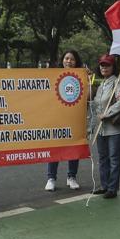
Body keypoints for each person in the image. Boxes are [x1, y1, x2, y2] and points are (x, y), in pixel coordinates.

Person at [89, 54, 120, 198]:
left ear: (113, 67)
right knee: (103, 158)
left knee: (113, 158)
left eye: (107, 65)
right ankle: (104, 185)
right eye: (102, 65)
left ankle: (112, 188)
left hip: (115, 128)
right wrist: (92, 127)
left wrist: (108, 113)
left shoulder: (117, 83)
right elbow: (95, 107)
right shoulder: (101, 85)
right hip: (101, 129)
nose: (104, 67)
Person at [44, 49, 86, 191]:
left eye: (72, 59)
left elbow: (88, 97)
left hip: (74, 119)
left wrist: (88, 78)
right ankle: (51, 178)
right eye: (66, 58)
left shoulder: (81, 77)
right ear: (62, 60)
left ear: (76, 62)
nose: (69, 61)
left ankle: (71, 177)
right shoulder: (53, 76)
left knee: (74, 148)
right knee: (54, 148)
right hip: (56, 119)